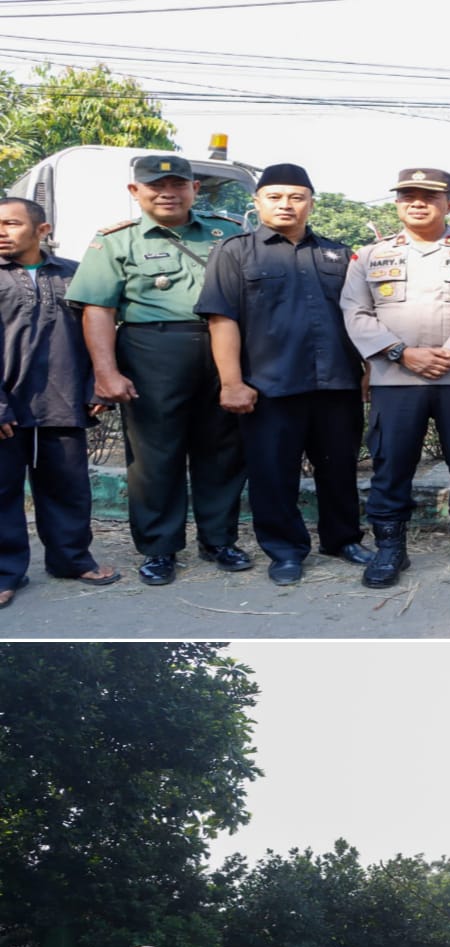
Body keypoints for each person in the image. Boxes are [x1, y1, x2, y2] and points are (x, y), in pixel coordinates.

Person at [66, 154, 249, 586]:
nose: (167, 193)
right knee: (155, 456)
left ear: (194, 189)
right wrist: (105, 373)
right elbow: (98, 310)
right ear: (135, 191)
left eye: (177, 184)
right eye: (155, 186)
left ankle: (218, 540)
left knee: (223, 450)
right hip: (152, 350)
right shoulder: (116, 240)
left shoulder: (229, 233)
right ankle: (160, 547)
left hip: (225, 347)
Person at [197, 163, 369, 586]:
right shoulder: (235, 252)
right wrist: (232, 382)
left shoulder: (337, 253)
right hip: (269, 385)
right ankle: (285, 550)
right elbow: (221, 318)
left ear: (311, 203)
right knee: (273, 474)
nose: (286, 204)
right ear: (257, 202)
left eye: (296, 197)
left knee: (339, 468)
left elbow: (359, 315)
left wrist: (367, 369)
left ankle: (342, 539)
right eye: (274, 197)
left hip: (337, 382)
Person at [342, 167, 450, 586]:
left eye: (430, 196)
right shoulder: (369, 256)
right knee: (391, 464)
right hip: (396, 378)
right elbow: (355, 311)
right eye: (408, 196)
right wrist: (401, 353)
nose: (417, 203)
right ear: (397, 204)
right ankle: (390, 549)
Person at [0, 197, 120, 608]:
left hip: (63, 399)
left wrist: (97, 385)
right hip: (6, 405)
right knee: (2, 491)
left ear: (42, 230)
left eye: (11, 223)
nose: (1, 232)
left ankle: (71, 560)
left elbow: (99, 333)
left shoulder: (75, 274)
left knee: (68, 487)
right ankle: (5, 572)